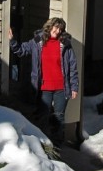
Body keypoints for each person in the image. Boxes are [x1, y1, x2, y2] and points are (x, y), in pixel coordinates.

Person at [9, 17, 79, 145]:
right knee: (43, 116)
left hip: (61, 88)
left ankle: (57, 144)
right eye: (56, 27)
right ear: (49, 26)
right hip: (44, 87)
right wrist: (12, 41)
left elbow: (72, 66)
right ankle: (44, 144)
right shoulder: (37, 42)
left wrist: (74, 87)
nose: (57, 31)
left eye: (60, 29)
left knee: (59, 116)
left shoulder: (65, 45)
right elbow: (21, 50)